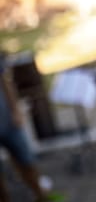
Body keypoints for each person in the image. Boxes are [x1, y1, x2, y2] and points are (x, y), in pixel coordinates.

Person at [0, 52, 49, 202]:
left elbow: (5, 81)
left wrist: (15, 110)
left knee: (27, 161)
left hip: (7, 120)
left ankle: (40, 196)